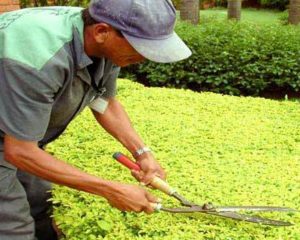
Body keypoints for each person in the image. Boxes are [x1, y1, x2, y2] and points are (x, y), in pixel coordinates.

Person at [0, 0, 191, 239]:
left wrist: (143, 153)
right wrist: (110, 190)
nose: (146, 57)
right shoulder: (37, 57)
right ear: (102, 31)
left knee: (40, 202)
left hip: (16, 135)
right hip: (14, 141)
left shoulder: (102, 42)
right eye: (141, 47)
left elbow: (104, 103)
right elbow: (19, 151)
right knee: (12, 228)